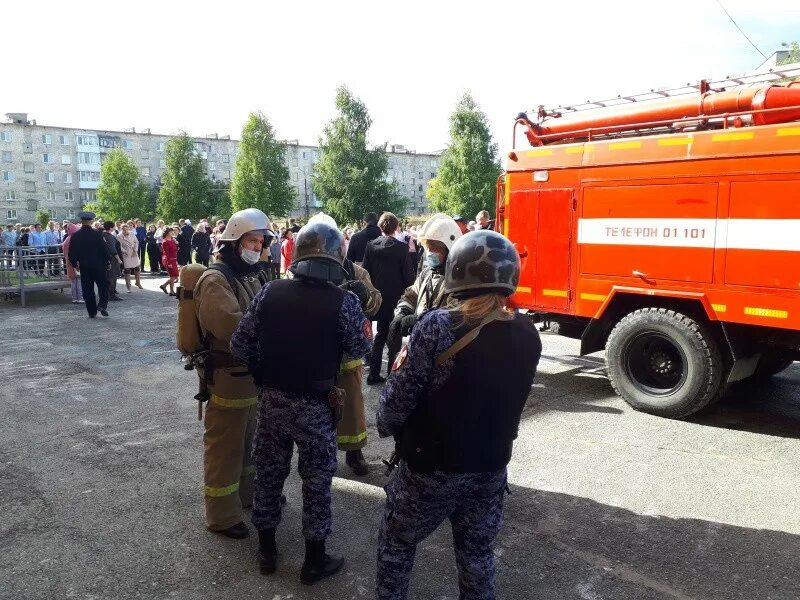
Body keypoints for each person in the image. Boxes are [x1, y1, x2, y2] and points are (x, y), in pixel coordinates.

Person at [375, 230, 542, 600]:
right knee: (477, 555)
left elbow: (393, 408)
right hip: (490, 467)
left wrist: (386, 423)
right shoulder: (528, 333)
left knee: (396, 545)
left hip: (431, 468)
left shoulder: (437, 326)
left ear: (458, 274)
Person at [230, 220, 372, 585]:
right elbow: (361, 350)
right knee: (317, 482)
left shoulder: (271, 292)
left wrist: (264, 375)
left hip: (273, 401)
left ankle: (267, 551)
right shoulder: (345, 301)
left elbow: (239, 344)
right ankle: (314, 560)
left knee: (269, 474)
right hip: (316, 406)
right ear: (336, 257)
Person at [191, 208, 274, 541]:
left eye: (260, 241)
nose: (257, 247)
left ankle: (247, 495)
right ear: (233, 241)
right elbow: (232, 326)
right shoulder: (215, 279)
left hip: (249, 376)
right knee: (225, 446)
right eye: (251, 240)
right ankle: (221, 516)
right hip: (227, 376)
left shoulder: (249, 274)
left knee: (249, 440)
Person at [307, 213, 383, 477]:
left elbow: (376, 302)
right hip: (317, 352)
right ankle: (316, 453)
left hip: (348, 355)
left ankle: (355, 452)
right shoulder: (307, 271)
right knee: (314, 406)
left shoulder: (356, 271)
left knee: (351, 406)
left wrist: (365, 297)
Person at [387, 213, 462, 365]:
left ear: (450, 250)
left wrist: (419, 320)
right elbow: (411, 294)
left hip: (444, 354)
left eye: (434, 248)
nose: (429, 253)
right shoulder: (427, 273)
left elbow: (456, 314)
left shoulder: (459, 279)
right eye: (427, 248)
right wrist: (401, 313)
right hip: (420, 348)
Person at [362, 212, 415, 385]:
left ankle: (374, 373)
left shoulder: (371, 246)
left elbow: (366, 272)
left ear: (380, 227)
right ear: (396, 227)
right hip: (396, 298)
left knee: (380, 335)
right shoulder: (401, 248)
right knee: (396, 335)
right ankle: (393, 373)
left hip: (378, 297)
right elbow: (408, 276)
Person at [67, 212, 111, 318]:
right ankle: (102, 305)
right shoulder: (97, 234)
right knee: (104, 285)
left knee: (87, 289)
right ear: (91, 221)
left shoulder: (76, 236)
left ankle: (92, 312)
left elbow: (71, 252)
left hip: (85, 266)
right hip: (99, 265)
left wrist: (74, 263)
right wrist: (108, 260)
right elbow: (104, 249)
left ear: (81, 221)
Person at [62, 223, 83, 304]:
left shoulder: (67, 239)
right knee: (79, 280)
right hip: (76, 263)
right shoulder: (74, 239)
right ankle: (80, 297)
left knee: (73, 281)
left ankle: (74, 298)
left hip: (68, 262)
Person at [118, 223, 143, 292]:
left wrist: (135, 250)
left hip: (133, 252)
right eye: (124, 230)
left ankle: (138, 282)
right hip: (126, 254)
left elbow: (136, 242)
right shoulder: (119, 236)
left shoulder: (132, 233)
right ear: (121, 229)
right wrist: (124, 251)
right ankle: (128, 286)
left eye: (127, 229)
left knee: (137, 267)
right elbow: (119, 246)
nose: (126, 231)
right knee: (127, 270)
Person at [102, 222, 124, 301]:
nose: (114, 228)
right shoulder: (110, 237)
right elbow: (112, 249)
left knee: (107, 277)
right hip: (112, 259)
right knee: (112, 277)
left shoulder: (102, 235)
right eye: (113, 227)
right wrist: (118, 259)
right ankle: (111, 295)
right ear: (110, 228)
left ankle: (106, 294)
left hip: (105, 259)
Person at [159, 227, 179, 296]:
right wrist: (169, 263)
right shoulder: (165, 242)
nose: (172, 233)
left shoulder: (172, 240)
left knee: (175, 276)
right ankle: (172, 291)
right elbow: (166, 253)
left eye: (172, 232)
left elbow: (176, 249)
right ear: (167, 233)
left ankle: (164, 286)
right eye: (171, 232)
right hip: (168, 260)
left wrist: (176, 243)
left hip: (173, 259)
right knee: (173, 276)